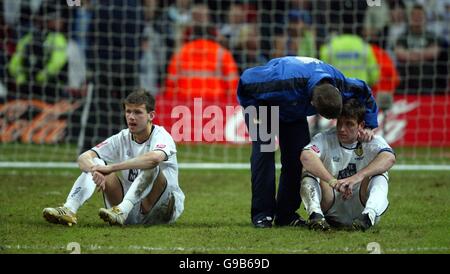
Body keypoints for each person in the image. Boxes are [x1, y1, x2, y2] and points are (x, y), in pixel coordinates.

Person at [236, 56, 379, 228]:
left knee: (298, 159)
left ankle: (285, 215)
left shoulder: (341, 82)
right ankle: (262, 215)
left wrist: (369, 125)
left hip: (293, 110)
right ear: (312, 103)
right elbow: (246, 81)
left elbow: (364, 91)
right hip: (265, 106)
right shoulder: (280, 81)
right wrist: (256, 113)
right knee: (264, 154)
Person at [42, 89, 185, 226]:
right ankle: (69, 209)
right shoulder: (121, 138)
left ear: (151, 116)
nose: (131, 117)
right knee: (96, 162)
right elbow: (83, 157)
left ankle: (122, 210)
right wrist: (95, 170)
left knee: (151, 166)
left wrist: (111, 167)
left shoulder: (162, 136)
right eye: (128, 111)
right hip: (130, 211)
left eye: (137, 112)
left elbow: (154, 159)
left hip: (162, 209)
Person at [300, 99, 395, 231]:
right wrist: (332, 181)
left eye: (349, 124)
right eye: (340, 123)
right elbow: (306, 156)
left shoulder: (371, 140)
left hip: (360, 203)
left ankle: (368, 216)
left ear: (361, 125)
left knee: (380, 173)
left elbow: (389, 158)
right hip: (331, 203)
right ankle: (316, 216)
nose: (342, 129)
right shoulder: (324, 138)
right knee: (309, 170)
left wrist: (356, 178)